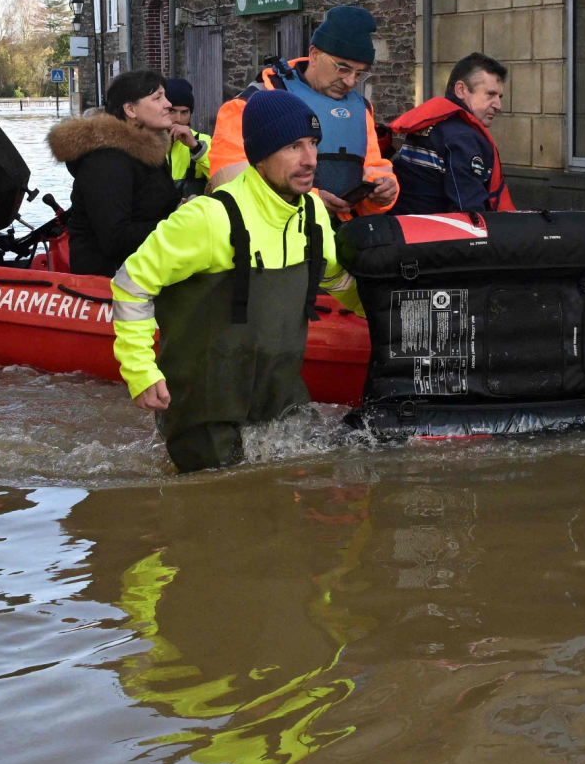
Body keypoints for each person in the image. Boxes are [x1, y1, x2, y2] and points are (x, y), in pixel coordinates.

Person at [110, 90, 363, 473]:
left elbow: (339, 280)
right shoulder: (209, 218)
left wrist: (392, 320)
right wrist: (141, 372)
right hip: (204, 411)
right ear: (260, 155)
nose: (310, 160)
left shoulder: (312, 212)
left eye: (313, 144)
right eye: (293, 146)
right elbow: (132, 284)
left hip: (280, 399)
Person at [204, 4, 398, 219]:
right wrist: (312, 200)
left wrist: (382, 193)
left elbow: (373, 166)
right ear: (315, 54)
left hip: (342, 238)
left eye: (360, 74)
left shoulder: (361, 109)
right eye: (343, 69)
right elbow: (230, 182)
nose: (351, 81)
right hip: (275, 239)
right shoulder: (251, 104)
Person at [49, 70, 184, 278]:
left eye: (165, 96)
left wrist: (184, 207)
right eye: (158, 98)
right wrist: (177, 222)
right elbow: (116, 240)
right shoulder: (107, 160)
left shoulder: (149, 151)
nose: (168, 104)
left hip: (146, 276)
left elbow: (154, 207)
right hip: (110, 287)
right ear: (130, 109)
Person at [388, 52, 513, 215]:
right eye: (490, 94)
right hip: (435, 234)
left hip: (404, 226)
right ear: (461, 90)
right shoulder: (463, 137)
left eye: (499, 96)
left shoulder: (431, 123)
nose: (498, 105)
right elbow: (469, 213)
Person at [162, 77, 207, 198]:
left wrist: (196, 148)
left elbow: (223, 178)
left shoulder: (203, 141)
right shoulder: (147, 143)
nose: (178, 119)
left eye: (184, 112)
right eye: (172, 111)